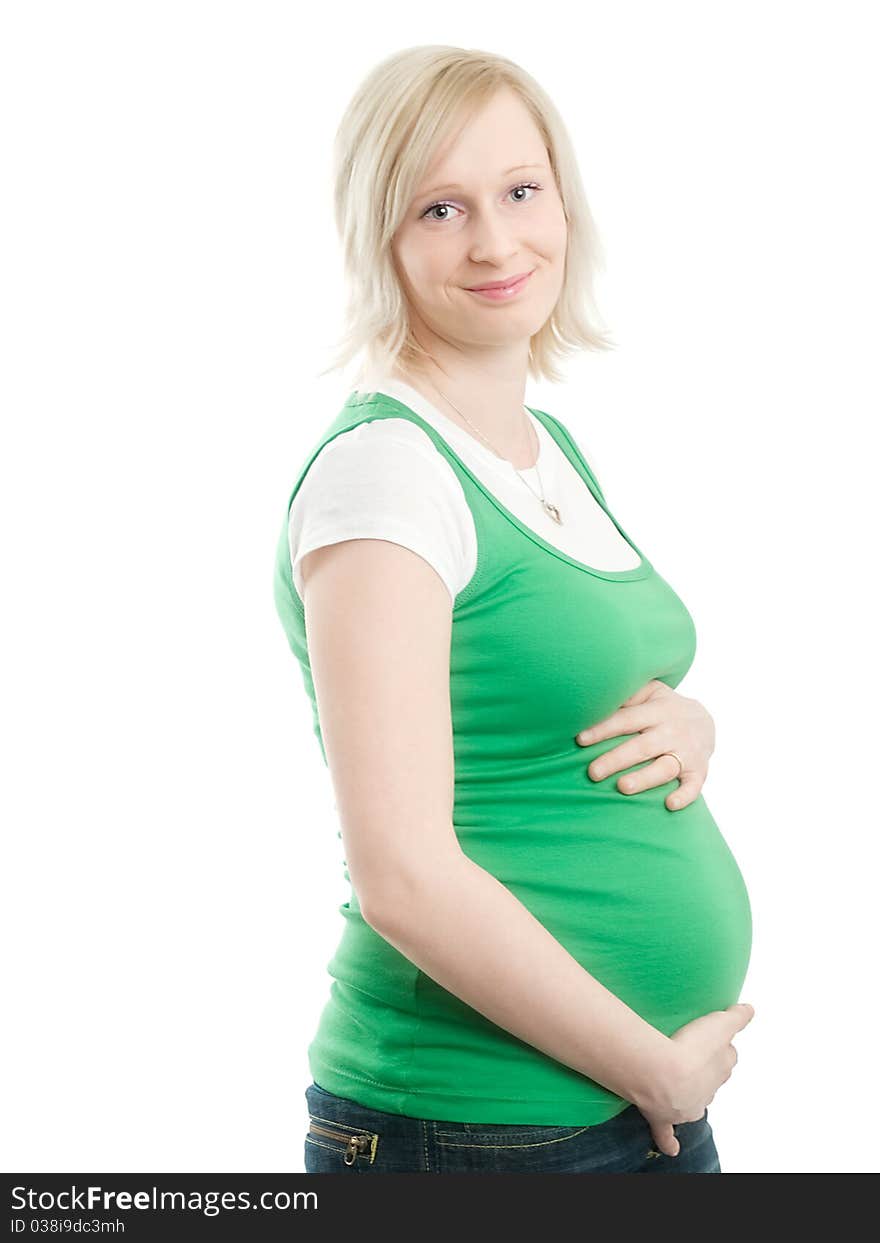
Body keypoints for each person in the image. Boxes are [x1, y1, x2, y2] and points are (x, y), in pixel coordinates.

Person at [272, 45, 755, 1174]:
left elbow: (545, 693)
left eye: (520, 191)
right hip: (478, 1125)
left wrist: (689, 723)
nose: (495, 242)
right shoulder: (387, 472)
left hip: (605, 1108)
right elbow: (402, 873)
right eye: (440, 208)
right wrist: (652, 1067)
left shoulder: (544, 448)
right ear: (378, 238)